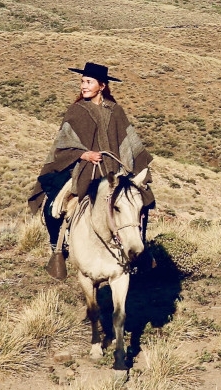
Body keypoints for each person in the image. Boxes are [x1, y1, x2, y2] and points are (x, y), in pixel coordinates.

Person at [28, 62, 155, 280]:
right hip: (83, 169)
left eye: (89, 82)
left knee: (141, 202)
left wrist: (139, 168)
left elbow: (129, 143)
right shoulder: (76, 111)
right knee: (53, 207)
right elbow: (62, 144)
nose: (83, 86)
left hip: (115, 170)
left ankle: (139, 251)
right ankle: (58, 249)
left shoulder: (116, 111)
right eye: (82, 82)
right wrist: (84, 154)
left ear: (102, 86)